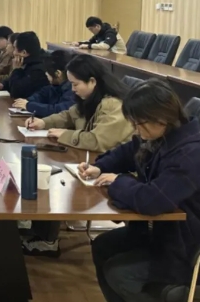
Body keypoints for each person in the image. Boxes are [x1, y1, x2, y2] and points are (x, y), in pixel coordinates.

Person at [80, 79, 200, 302]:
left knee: (119, 274)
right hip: (162, 232)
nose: (136, 130)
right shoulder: (164, 133)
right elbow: (131, 150)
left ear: (161, 118)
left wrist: (118, 181)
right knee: (103, 246)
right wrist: (100, 167)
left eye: (139, 124)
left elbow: (152, 200)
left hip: (186, 247)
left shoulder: (191, 154)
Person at [25, 54, 134, 151]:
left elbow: (97, 141)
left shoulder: (114, 105)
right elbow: (69, 115)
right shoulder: (90, 97)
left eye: (75, 84)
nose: (72, 89)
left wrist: (65, 134)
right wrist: (43, 123)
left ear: (92, 81)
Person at [12, 50, 75, 117]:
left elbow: (58, 111)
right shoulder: (55, 86)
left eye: (48, 71)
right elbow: (41, 95)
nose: (46, 74)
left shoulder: (72, 90)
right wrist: (26, 101)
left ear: (58, 73)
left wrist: (29, 105)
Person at [0, 31, 49, 98]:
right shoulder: (29, 61)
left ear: (24, 53)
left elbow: (16, 93)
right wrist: (3, 85)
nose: (13, 52)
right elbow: (17, 81)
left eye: (15, 49)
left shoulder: (38, 70)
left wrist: (16, 70)